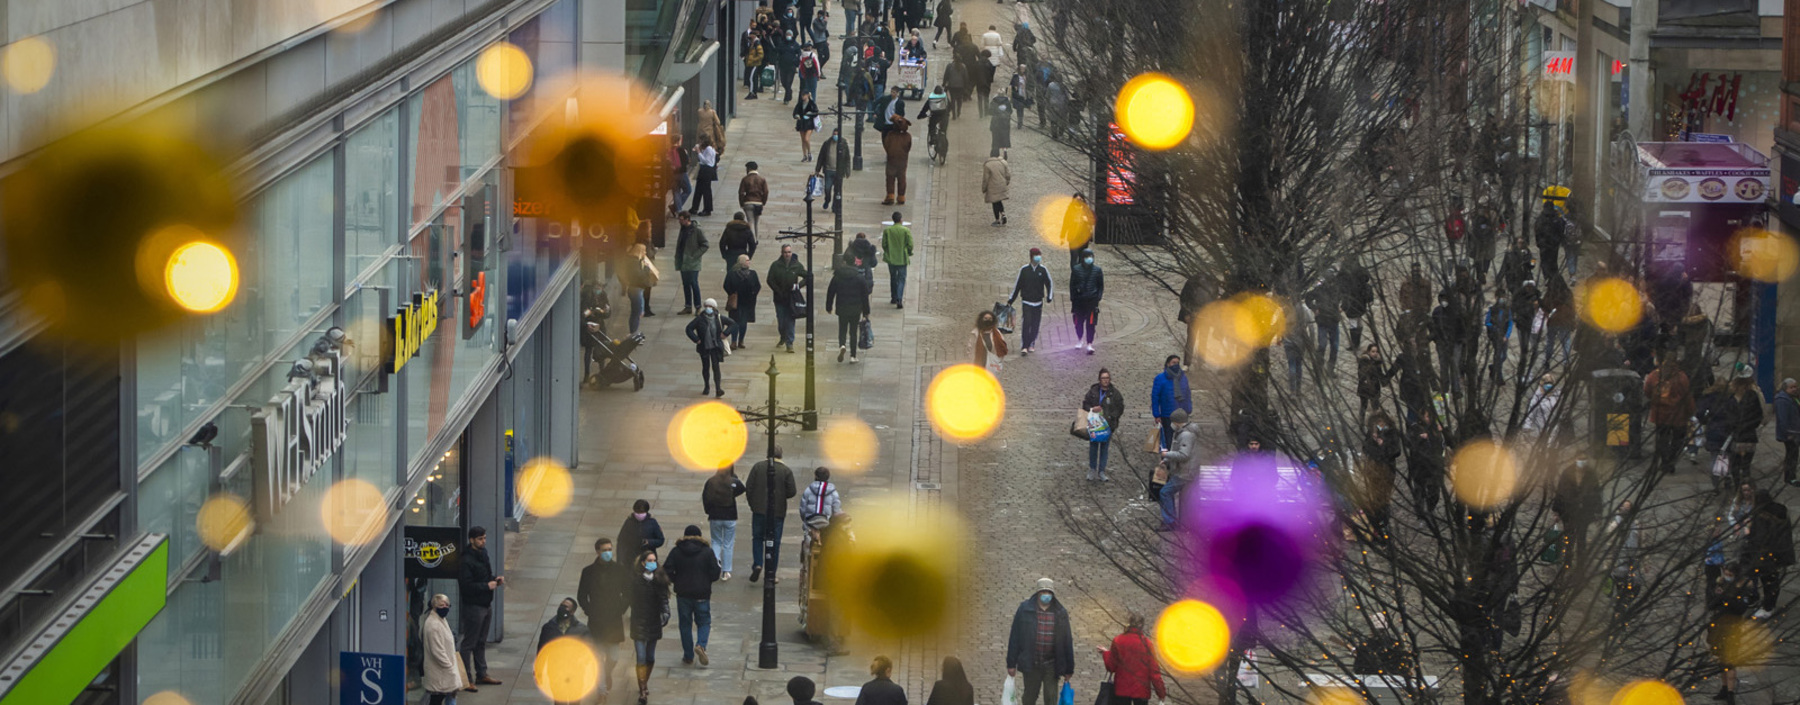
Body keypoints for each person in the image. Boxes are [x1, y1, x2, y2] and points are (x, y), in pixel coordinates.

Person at [1004, 578, 1075, 705]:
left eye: (1048, 592)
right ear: (1038, 593)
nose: (1046, 595)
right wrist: (1011, 663)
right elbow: (1015, 637)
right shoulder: (1025, 610)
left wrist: (1069, 668)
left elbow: (1067, 641)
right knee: (1029, 698)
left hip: (1051, 664)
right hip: (1032, 663)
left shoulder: (1060, 613)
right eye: (1043, 592)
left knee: (1051, 697)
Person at [578, 538, 631, 700]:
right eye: (604, 550)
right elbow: (581, 595)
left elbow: (627, 592)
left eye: (609, 549)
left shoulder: (619, 570)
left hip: (613, 620)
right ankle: (602, 691)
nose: (608, 552)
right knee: (598, 657)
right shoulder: (588, 572)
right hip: (596, 621)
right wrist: (589, 611)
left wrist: (620, 609)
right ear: (597, 551)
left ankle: (607, 674)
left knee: (613, 657)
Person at [662, 525, 721, 666]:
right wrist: (706, 580)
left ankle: (688, 656)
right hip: (702, 593)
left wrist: (677, 580)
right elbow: (715, 573)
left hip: (683, 594)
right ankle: (701, 645)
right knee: (704, 622)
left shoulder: (676, 551)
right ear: (699, 536)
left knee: (685, 624)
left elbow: (666, 570)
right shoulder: (707, 552)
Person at [458, 526, 504, 688]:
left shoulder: (483, 554)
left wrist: (494, 580)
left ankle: (481, 674)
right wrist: (486, 586)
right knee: (469, 643)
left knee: (481, 642)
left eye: (484, 538)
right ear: (471, 540)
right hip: (473, 606)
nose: (483, 541)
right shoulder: (466, 560)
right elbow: (466, 586)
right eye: (480, 539)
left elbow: (484, 576)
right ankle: (466, 679)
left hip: (485, 604)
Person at [745, 446, 799, 583]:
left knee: (757, 538)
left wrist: (753, 505)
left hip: (759, 510)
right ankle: (771, 573)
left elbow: (749, 487)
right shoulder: (786, 471)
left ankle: (758, 564)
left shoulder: (758, 467)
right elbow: (792, 491)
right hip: (777, 512)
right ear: (781, 455)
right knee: (775, 542)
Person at [1708, 561, 1756, 703]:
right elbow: (1711, 604)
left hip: (1732, 628)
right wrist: (1716, 595)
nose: (1727, 576)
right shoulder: (1721, 584)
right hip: (1718, 626)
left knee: (1729, 661)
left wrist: (1725, 598)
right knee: (1721, 660)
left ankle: (1730, 692)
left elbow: (1741, 608)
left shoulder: (1743, 589)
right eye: (1726, 573)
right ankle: (1724, 688)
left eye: (1730, 574)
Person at [630, 550, 670, 705]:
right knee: (641, 657)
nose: (653, 563)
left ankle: (644, 681)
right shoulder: (636, 581)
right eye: (649, 560)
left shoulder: (659, 581)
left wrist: (665, 614)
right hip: (639, 622)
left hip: (653, 622)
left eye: (654, 560)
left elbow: (664, 600)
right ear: (643, 563)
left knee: (650, 657)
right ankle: (642, 689)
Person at [1098, 613, 1166, 705]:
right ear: (1142, 626)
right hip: (1142, 690)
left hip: (1122, 689)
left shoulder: (1118, 640)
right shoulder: (1147, 644)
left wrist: (1106, 653)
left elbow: (1111, 666)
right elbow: (1154, 672)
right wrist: (1161, 692)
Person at [1645, 356, 1695, 475]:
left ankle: (1665, 460)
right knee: (1677, 439)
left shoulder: (1654, 375)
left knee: (1663, 438)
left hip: (1660, 413)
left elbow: (1647, 391)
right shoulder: (1681, 377)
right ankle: (1671, 460)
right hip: (1678, 414)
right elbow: (1687, 395)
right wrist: (1691, 410)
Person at [1748, 490, 1794, 618]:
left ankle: (1768, 607)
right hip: (1780, 553)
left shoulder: (1761, 515)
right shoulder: (1781, 512)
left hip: (1765, 554)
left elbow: (1760, 537)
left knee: (1768, 581)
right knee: (1773, 580)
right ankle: (1769, 605)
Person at [537, 595, 589, 703]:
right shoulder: (548, 628)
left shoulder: (582, 630)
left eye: (566, 607)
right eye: (561, 605)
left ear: (572, 612)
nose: (562, 608)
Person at [826, 253, 873, 363]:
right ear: (854, 262)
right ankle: (853, 355)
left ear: (844, 262)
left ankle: (842, 345)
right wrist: (866, 311)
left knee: (842, 329)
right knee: (853, 332)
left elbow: (831, 292)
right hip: (855, 308)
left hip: (842, 306)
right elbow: (864, 296)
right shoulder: (859, 277)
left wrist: (829, 306)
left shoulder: (837, 276)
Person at [702, 467, 746, 580]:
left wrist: (708, 511)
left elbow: (706, 497)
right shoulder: (733, 482)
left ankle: (716, 561)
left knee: (716, 541)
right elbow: (742, 488)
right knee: (728, 544)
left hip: (715, 516)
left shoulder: (711, 481)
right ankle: (726, 571)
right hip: (730, 516)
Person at [1157, 409, 1199, 528]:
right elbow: (1178, 450)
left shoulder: (1186, 435)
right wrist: (1166, 460)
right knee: (1177, 495)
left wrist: (1166, 454)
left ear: (1177, 422)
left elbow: (1184, 455)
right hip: (1185, 470)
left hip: (1185, 472)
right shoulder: (1183, 433)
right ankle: (1177, 521)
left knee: (1165, 492)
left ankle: (1170, 521)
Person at [1081, 368, 1124, 481]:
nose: (1105, 380)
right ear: (1099, 379)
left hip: (1107, 426)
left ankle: (1101, 471)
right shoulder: (1093, 392)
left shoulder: (1115, 393)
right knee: (1093, 447)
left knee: (1104, 449)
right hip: (1094, 425)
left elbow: (1120, 408)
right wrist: (1092, 409)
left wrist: (1111, 417)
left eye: (1107, 378)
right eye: (1103, 378)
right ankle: (1092, 469)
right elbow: (1085, 404)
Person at [1007, 248, 1053, 354]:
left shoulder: (1043, 270)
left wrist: (1049, 297)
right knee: (1026, 323)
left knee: (1035, 324)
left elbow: (1049, 283)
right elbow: (1017, 285)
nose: (1038, 257)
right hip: (1026, 302)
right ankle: (1024, 345)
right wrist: (1011, 300)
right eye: (1036, 255)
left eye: (1039, 255)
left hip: (1038, 302)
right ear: (1031, 256)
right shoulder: (1024, 270)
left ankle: (1032, 342)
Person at [421, 594, 465, 704]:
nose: (445, 607)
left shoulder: (440, 619)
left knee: (449, 696)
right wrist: (450, 668)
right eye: (441, 605)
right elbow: (437, 652)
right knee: (437, 699)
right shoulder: (434, 625)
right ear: (434, 606)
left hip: (444, 670)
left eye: (447, 605)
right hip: (441, 672)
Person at [685, 299, 733, 397]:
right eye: (707, 306)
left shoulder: (719, 318)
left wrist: (725, 333)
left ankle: (718, 388)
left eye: (710, 306)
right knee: (705, 367)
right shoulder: (699, 319)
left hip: (715, 347)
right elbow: (688, 329)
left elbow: (733, 323)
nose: (708, 308)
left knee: (716, 367)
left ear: (714, 308)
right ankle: (706, 386)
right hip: (704, 347)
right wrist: (696, 339)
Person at [768, 245, 810, 353]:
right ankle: (783, 336)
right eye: (785, 252)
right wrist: (778, 290)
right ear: (782, 253)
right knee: (781, 320)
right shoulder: (775, 265)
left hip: (791, 298)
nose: (787, 254)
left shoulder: (796, 265)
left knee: (790, 320)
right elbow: (770, 280)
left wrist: (798, 286)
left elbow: (808, 276)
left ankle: (789, 343)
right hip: (779, 298)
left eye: (789, 252)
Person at [1726, 369, 1764, 482]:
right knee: (1746, 465)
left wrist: (1734, 427)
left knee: (1735, 464)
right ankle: (1745, 485)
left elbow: (1727, 416)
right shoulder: (1752, 395)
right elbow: (1759, 415)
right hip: (1749, 436)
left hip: (1736, 436)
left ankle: (1738, 484)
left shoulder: (1731, 398)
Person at [1151, 355, 1193, 450]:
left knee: (1182, 439)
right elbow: (1155, 397)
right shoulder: (1160, 378)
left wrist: (1188, 409)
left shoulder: (1183, 378)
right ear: (1168, 364)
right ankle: (1167, 457)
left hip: (1181, 414)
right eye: (1173, 362)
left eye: (1177, 363)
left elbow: (1187, 394)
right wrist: (1156, 414)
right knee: (1167, 440)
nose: (1176, 365)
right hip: (1167, 414)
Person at [723, 255, 762, 349]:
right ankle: (734, 341)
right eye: (747, 260)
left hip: (747, 302)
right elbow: (726, 285)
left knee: (743, 322)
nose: (749, 262)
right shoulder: (732, 274)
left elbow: (757, 286)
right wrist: (732, 294)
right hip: (736, 302)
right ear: (742, 262)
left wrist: (753, 294)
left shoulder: (752, 274)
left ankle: (741, 340)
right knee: (734, 322)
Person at [1069, 248, 1103, 354]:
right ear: (1083, 258)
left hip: (1092, 301)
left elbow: (1100, 285)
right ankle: (1079, 339)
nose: (1089, 259)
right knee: (1078, 322)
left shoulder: (1097, 270)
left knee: (1091, 323)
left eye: (1091, 257)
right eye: (1087, 257)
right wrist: (1073, 299)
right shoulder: (1076, 270)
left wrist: (1098, 297)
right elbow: (1072, 285)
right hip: (1079, 301)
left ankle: (1089, 343)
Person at [674, 212, 708, 315]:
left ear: (687, 219)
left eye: (681, 219)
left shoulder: (697, 230)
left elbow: (705, 244)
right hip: (683, 261)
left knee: (694, 283)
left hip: (693, 262)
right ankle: (688, 306)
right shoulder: (683, 229)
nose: (679, 221)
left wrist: (694, 255)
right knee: (686, 284)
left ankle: (698, 306)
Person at [881, 212, 914, 307]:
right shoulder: (906, 230)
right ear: (901, 220)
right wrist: (908, 252)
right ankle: (899, 298)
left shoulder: (887, 230)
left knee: (893, 277)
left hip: (891, 258)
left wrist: (888, 251)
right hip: (902, 258)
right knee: (901, 279)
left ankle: (894, 297)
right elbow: (910, 244)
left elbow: (884, 244)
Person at [882, 116, 913, 205]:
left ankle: (890, 195)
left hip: (891, 159)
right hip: (902, 160)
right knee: (902, 178)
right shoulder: (908, 136)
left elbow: (886, 145)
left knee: (890, 178)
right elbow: (908, 147)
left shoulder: (890, 135)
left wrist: (890, 153)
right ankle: (901, 197)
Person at [816, 128, 848, 210]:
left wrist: (847, 171)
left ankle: (834, 206)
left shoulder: (843, 144)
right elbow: (821, 157)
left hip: (838, 171)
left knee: (837, 190)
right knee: (827, 188)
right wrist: (817, 169)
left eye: (837, 134)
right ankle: (827, 200)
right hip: (828, 170)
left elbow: (847, 158)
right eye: (834, 134)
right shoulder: (827, 143)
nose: (835, 136)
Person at [1778, 377, 1800, 486]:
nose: (1794, 389)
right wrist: (1787, 433)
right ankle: (1790, 477)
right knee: (1791, 455)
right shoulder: (1782, 400)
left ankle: (1791, 476)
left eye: (1795, 387)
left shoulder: (1793, 398)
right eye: (1792, 387)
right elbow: (1783, 419)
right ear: (1785, 388)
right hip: (1790, 433)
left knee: (1793, 455)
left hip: (1795, 431)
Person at [1060, 194, 1092, 269]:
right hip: (1073, 237)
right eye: (1077, 199)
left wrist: (1087, 220)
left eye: (1080, 199)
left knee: (1082, 257)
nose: (1079, 201)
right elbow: (1065, 223)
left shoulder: (1086, 209)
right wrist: (1062, 236)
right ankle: (1075, 272)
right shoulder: (1070, 210)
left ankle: (1080, 272)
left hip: (1084, 237)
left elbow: (1093, 219)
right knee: (1074, 256)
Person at [739, 162, 770, 234]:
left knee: (750, 222)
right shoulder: (762, 179)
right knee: (756, 222)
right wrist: (763, 202)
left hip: (748, 202)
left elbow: (741, 193)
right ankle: (756, 238)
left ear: (749, 169)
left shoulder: (745, 179)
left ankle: (752, 239)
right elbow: (766, 192)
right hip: (758, 202)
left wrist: (742, 203)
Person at [982, 150, 1011, 225]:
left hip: (992, 186)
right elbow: (1008, 174)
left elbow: (985, 179)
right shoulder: (1003, 163)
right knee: (998, 201)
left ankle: (997, 220)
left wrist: (984, 188)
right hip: (1002, 185)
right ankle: (1003, 214)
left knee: (995, 202)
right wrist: (1006, 182)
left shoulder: (988, 165)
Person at [693, 138, 719, 216]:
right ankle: (694, 208)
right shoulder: (706, 149)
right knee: (698, 189)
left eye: (700, 142)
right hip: (703, 170)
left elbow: (706, 161)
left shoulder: (709, 149)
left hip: (707, 170)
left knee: (706, 190)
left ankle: (707, 209)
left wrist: (699, 152)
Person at [794, 91, 821, 161]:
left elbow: (816, 112)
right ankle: (804, 155)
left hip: (809, 124)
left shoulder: (811, 103)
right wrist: (797, 115)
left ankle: (809, 152)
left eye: (804, 95)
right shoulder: (800, 103)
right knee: (803, 140)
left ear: (808, 95)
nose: (803, 97)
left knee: (806, 139)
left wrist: (810, 114)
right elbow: (795, 112)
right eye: (802, 95)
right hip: (801, 123)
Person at [988, 90, 1011, 156]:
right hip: (1005, 122)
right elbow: (1010, 111)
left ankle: (995, 152)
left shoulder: (994, 101)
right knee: (1005, 137)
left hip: (996, 122)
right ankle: (1005, 151)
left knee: (995, 138)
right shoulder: (1007, 102)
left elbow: (990, 112)